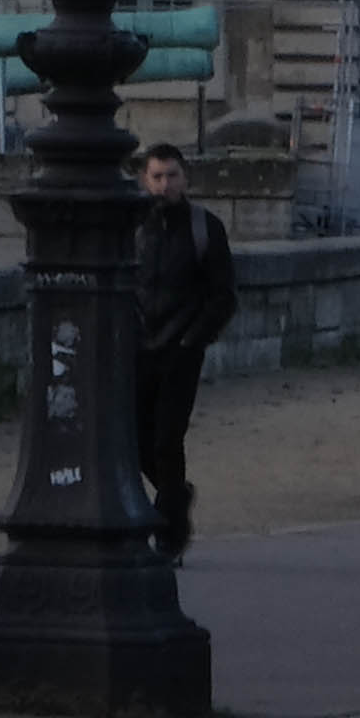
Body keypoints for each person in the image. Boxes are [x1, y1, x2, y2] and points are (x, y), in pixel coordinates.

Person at [131, 137, 241, 547]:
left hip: (180, 352)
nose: (164, 185)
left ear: (185, 177)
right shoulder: (134, 227)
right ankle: (175, 497)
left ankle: (172, 536)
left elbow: (223, 295)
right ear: (144, 179)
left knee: (166, 440)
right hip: (139, 351)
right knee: (135, 439)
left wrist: (191, 342)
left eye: (171, 176)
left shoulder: (204, 227)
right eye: (157, 177)